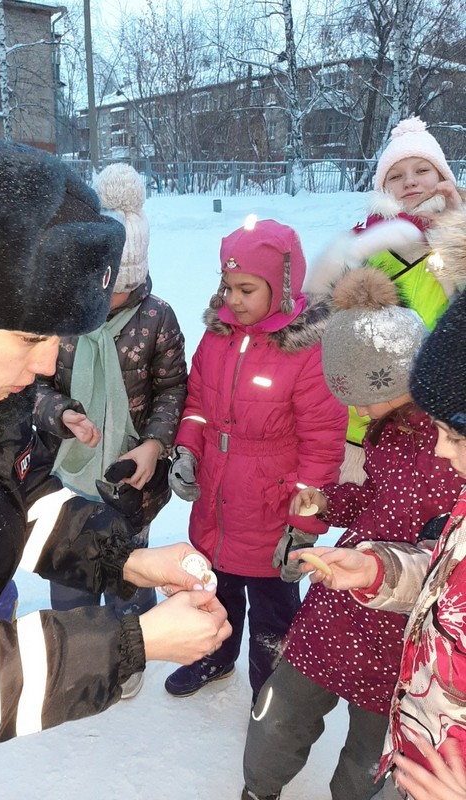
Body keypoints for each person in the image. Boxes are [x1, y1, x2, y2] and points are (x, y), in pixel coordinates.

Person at [0, 143, 231, 800]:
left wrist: (124, 559)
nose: (44, 364)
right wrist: (132, 640)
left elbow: (17, 494)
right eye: (32, 338)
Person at [241, 266, 464, 800]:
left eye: (365, 396)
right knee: (281, 713)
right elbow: (378, 502)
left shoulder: (450, 451)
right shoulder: (389, 433)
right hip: (337, 611)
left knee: (369, 755)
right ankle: (258, 788)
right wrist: (330, 501)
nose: (358, 411)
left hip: (397, 639)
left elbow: (440, 558)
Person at [164, 216, 347, 703]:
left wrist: (303, 525)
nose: (234, 299)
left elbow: (322, 445)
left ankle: (271, 691)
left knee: (273, 615)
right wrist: (188, 449)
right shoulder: (217, 336)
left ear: (281, 290)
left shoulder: (308, 352)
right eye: (228, 287)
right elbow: (197, 405)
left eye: (247, 289)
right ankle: (215, 656)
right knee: (215, 595)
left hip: (272, 512)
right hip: (217, 502)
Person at [34, 162, 187, 698]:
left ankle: (129, 651)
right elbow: (34, 383)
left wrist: (154, 445)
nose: (107, 303)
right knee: (70, 574)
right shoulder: (61, 315)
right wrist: (61, 414)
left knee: (129, 573)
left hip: (130, 481)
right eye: (101, 289)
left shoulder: (158, 318)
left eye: (121, 291)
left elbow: (173, 389)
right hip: (66, 477)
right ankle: (77, 658)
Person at [307, 116, 465, 483]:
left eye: (422, 170)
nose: (409, 181)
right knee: (365, 503)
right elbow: (316, 318)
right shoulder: (364, 243)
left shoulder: (458, 236)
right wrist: (347, 258)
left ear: (443, 177)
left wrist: (455, 231)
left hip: (438, 423)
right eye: (395, 175)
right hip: (367, 416)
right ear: (382, 188)